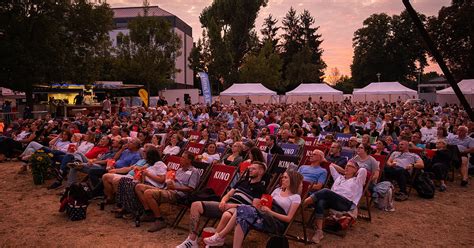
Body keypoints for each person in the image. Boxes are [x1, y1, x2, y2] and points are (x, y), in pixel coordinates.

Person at [176, 162, 267, 248]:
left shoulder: (260, 188)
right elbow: (228, 195)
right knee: (195, 205)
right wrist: (223, 201)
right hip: (225, 204)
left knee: (226, 215)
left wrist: (231, 206)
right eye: (250, 168)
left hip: (238, 210)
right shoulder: (242, 182)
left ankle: (213, 242)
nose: (250, 170)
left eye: (253, 169)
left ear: (261, 171)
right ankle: (192, 240)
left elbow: (253, 208)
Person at [204, 170, 303, 247]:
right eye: (283, 177)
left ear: (292, 180)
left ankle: (220, 236)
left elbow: (289, 219)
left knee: (242, 209)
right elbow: (268, 204)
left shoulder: (295, 197)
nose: (282, 179)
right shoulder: (277, 190)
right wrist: (263, 206)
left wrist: (270, 212)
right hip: (264, 216)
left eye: (285, 177)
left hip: (275, 223)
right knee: (242, 219)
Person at [303, 161, 367, 244]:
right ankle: (319, 231)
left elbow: (363, 170)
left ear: (356, 170)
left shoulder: (358, 181)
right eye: (346, 165)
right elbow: (331, 166)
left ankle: (302, 204)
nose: (347, 167)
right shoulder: (338, 177)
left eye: (350, 166)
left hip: (346, 204)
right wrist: (344, 171)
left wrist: (355, 170)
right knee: (321, 201)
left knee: (325, 191)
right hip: (333, 201)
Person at [139, 151, 200, 232]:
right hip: (167, 189)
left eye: (183, 158)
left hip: (178, 194)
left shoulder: (194, 171)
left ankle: (159, 219)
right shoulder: (180, 170)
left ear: (189, 160)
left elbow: (191, 188)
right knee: (139, 187)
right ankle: (148, 212)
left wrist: (175, 187)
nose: (180, 159)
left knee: (148, 193)